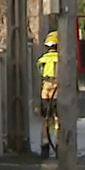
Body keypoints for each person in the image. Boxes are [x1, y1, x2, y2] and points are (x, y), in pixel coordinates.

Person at [37, 31, 59, 159]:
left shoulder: (42, 60)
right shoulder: (61, 59)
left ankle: (44, 146)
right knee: (58, 121)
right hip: (58, 93)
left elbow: (39, 72)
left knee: (46, 121)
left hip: (45, 93)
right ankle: (58, 146)